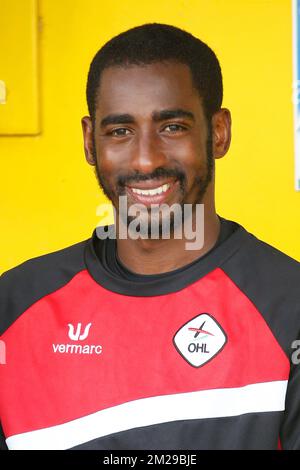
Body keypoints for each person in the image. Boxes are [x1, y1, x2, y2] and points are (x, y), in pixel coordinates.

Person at [0, 23, 300, 451]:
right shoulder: (12, 308)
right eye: (120, 131)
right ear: (89, 141)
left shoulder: (289, 305)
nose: (145, 160)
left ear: (218, 132)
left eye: (172, 127)